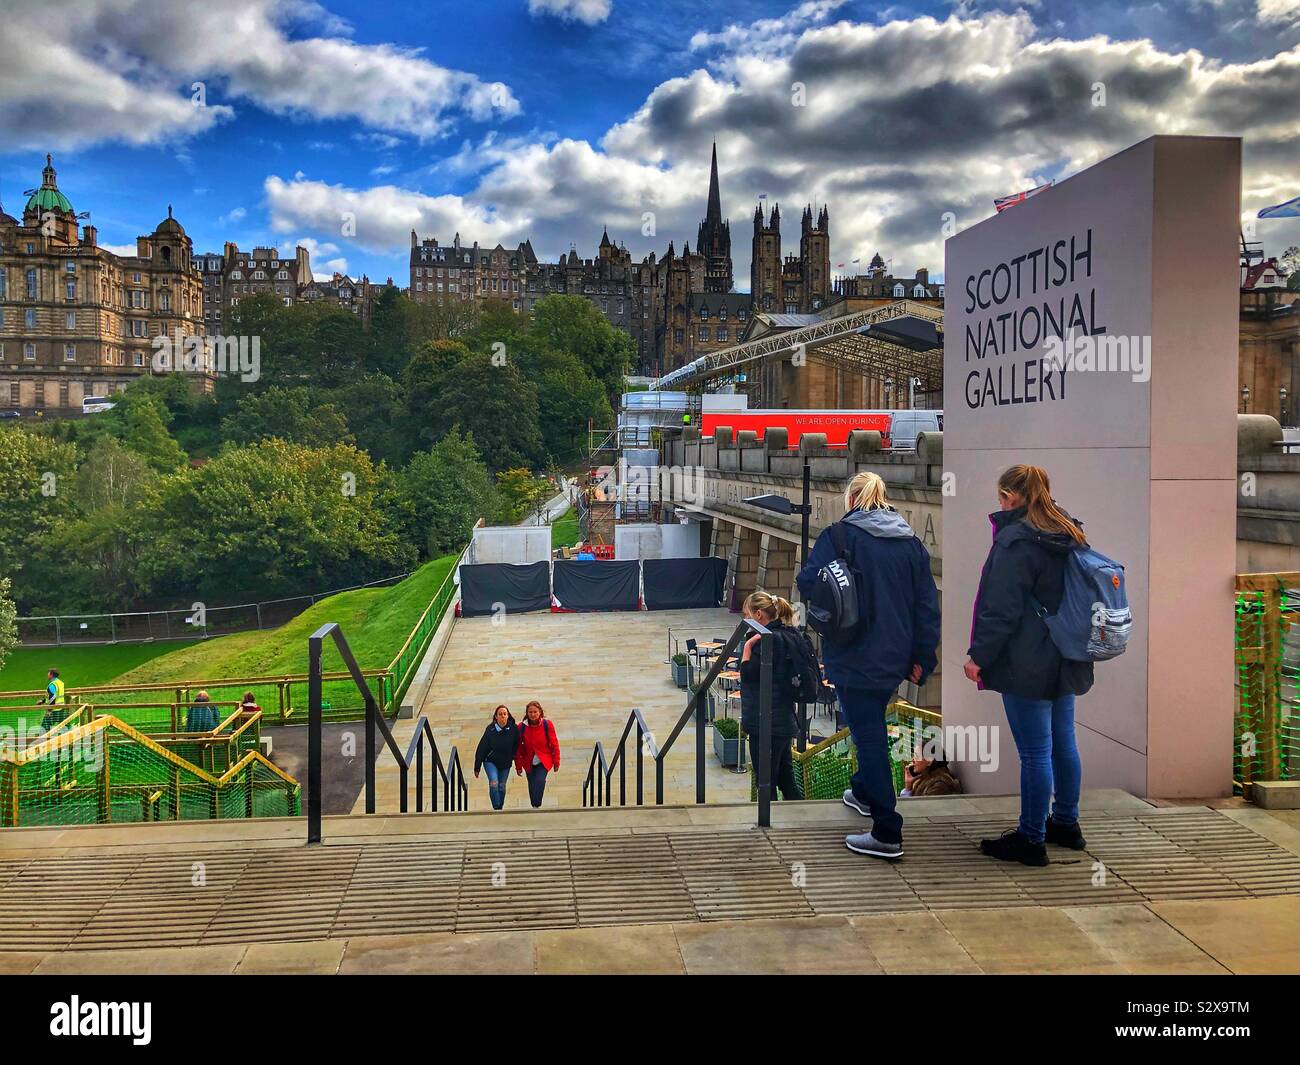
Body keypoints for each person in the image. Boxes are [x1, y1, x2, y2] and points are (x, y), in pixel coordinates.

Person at [796, 471, 940, 861]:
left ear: (851, 501)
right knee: (870, 723)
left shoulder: (840, 537)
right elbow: (927, 608)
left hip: (854, 655)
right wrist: (923, 659)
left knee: (868, 736)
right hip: (895, 658)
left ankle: (886, 831)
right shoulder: (911, 544)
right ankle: (862, 792)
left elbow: (806, 582)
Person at [964, 464, 1092, 867]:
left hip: (1027, 661)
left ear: (1012, 497)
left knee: (1035, 753)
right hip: (1065, 653)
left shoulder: (1015, 541)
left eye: (1001, 497)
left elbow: (999, 610)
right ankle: (1066, 824)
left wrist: (978, 656)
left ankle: (1031, 839)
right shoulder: (1069, 530)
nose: (999, 504)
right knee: (1063, 743)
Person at [738, 591, 803, 801]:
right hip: (783, 719)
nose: (744, 619)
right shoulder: (786, 635)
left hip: (765, 723)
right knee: (786, 779)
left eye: (746, 614)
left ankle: (767, 826)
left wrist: (747, 646)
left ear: (758, 615)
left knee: (765, 782)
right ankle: (801, 820)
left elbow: (748, 675)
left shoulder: (763, 641)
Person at [515, 700, 560, 808]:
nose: (533, 714)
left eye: (535, 712)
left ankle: (536, 805)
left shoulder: (547, 724)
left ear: (540, 712)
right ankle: (534, 806)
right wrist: (518, 766)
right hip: (528, 761)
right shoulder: (521, 727)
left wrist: (556, 762)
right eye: (530, 712)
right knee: (532, 785)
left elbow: (554, 744)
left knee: (540, 780)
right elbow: (518, 748)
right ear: (527, 713)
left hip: (543, 760)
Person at [474, 705, 520, 810]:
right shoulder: (490, 730)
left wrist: (512, 756)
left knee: (502, 786)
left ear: (508, 716)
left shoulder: (513, 729)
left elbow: (517, 745)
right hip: (490, 761)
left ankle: (500, 806)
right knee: (494, 783)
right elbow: (481, 748)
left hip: (505, 763)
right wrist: (477, 767)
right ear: (496, 717)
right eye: (500, 714)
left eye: (505, 714)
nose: (502, 716)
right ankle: (496, 807)